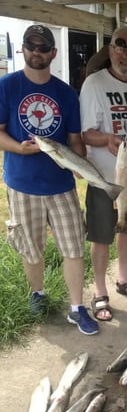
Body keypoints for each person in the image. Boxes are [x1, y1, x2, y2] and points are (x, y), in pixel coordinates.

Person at [0, 24, 99, 335]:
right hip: (21, 183)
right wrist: (19, 148)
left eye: (44, 47)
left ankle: (76, 307)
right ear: (23, 48)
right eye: (32, 45)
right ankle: (38, 294)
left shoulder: (66, 93)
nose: (37, 52)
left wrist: (81, 164)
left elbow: (74, 140)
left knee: (74, 248)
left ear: (54, 53)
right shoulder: (7, 86)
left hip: (60, 186)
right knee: (31, 247)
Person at [79, 25, 127, 321]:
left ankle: (123, 279)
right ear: (110, 50)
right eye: (120, 45)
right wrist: (106, 139)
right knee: (101, 237)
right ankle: (99, 291)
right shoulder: (94, 84)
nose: (126, 52)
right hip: (105, 179)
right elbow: (86, 133)